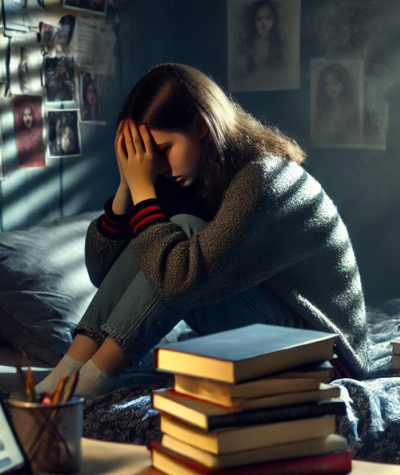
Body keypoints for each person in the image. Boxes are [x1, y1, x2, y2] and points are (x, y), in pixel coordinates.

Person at [35, 63, 368, 401]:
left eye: (162, 151)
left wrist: (143, 193)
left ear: (201, 126)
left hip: (324, 356)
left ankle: (90, 383)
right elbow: (102, 272)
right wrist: (127, 189)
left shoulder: (264, 178)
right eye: (148, 156)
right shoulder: (185, 178)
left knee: (182, 240)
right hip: (271, 335)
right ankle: (65, 372)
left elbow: (179, 282)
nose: (157, 167)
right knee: (162, 243)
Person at [313, 63, 361, 146]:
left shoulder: (350, 108)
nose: (331, 87)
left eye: (335, 83)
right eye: (327, 84)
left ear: (344, 84)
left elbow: (354, 135)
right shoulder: (323, 110)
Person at [237, 0, 284, 76]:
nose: (264, 23)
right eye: (259, 19)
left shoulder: (277, 43)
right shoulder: (248, 44)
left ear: (273, 20)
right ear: (254, 21)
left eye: (268, 18)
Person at [15, 101, 45, 166]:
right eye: (25, 115)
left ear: (33, 116)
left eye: (29, 115)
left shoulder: (39, 132)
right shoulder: (19, 137)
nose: (27, 118)